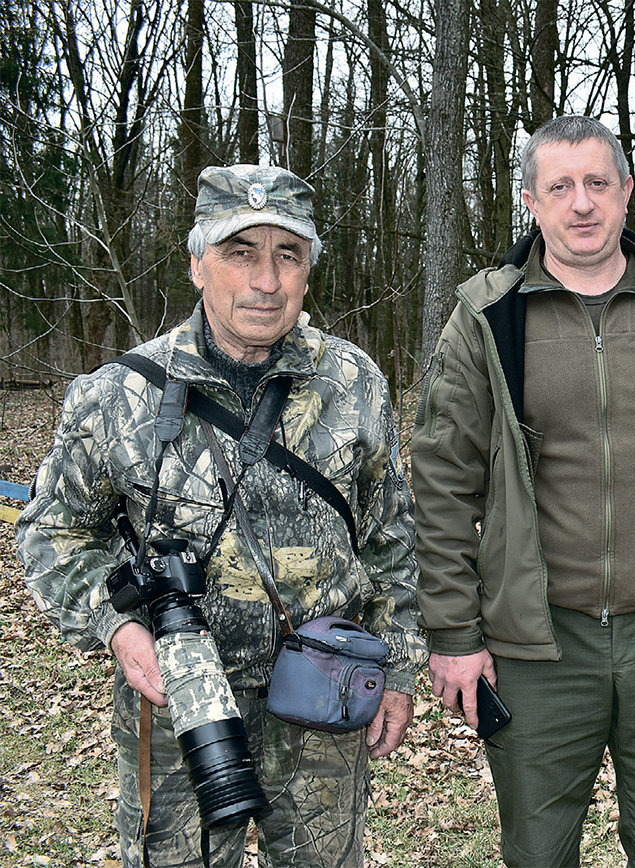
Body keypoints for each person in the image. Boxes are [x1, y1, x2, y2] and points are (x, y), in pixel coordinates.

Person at [17, 164, 427, 867]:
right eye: (240, 252)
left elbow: (390, 537)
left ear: (308, 272)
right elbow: (52, 531)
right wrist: (119, 627)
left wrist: (399, 669)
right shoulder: (120, 394)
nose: (266, 280)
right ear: (197, 265)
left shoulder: (353, 383)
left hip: (323, 701)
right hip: (177, 706)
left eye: (287, 254)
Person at [411, 115, 635, 868]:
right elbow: (443, 483)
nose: (582, 203)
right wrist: (453, 634)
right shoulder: (488, 319)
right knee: (538, 852)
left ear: (627, 193)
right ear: (531, 202)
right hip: (538, 646)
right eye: (560, 187)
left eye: (598, 183)